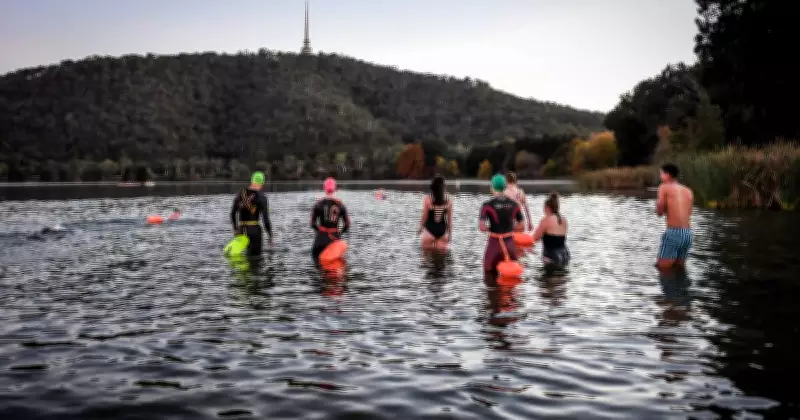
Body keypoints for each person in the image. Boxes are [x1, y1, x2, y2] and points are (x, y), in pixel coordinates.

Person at [480, 174, 524, 273]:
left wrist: (492, 228)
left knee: (488, 275)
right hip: (510, 245)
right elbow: (522, 226)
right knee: (512, 279)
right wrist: (509, 228)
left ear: (492, 187)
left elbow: (482, 227)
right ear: (505, 187)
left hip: (494, 245)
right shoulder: (515, 204)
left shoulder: (487, 205)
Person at [656, 163, 693, 271]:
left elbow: (660, 212)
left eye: (661, 173)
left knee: (662, 269)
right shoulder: (688, 190)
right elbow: (689, 212)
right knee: (679, 268)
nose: (660, 176)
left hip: (674, 233)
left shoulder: (663, 187)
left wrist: (658, 205)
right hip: (688, 234)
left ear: (667, 174)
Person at [230, 171, 273, 255]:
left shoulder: (239, 194)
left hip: (241, 230)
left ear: (252, 181)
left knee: (242, 258)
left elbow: (232, 214)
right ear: (262, 183)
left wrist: (235, 229)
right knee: (256, 261)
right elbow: (266, 220)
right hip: (254, 231)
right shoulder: (262, 197)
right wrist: (270, 236)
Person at [311, 177, 351, 261]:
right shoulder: (341, 205)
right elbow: (347, 225)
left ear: (324, 189)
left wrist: (320, 231)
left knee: (316, 262)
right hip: (334, 240)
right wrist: (339, 232)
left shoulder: (318, 204)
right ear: (335, 189)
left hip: (320, 240)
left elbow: (312, 223)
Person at [531, 192, 570, 272]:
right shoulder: (564, 220)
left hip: (552, 256)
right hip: (565, 254)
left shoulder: (546, 220)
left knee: (548, 282)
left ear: (547, 207)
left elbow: (535, 238)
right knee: (561, 282)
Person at [417, 175, 453, 250]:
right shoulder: (448, 201)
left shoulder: (428, 199)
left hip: (429, 232)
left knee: (426, 259)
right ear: (443, 187)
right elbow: (449, 221)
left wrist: (420, 229)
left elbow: (425, 217)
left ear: (433, 187)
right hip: (442, 232)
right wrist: (450, 234)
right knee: (441, 259)